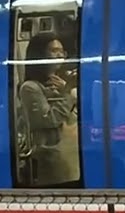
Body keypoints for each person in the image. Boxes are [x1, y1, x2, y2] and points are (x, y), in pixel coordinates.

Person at [17, 32, 80, 186]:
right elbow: (48, 119)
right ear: (39, 55)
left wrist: (66, 89)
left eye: (62, 51)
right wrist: (68, 92)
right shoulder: (30, 87)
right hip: (54, 160)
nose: (60, 55)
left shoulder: (61, 82)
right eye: (54, 51)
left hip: (73, 155)